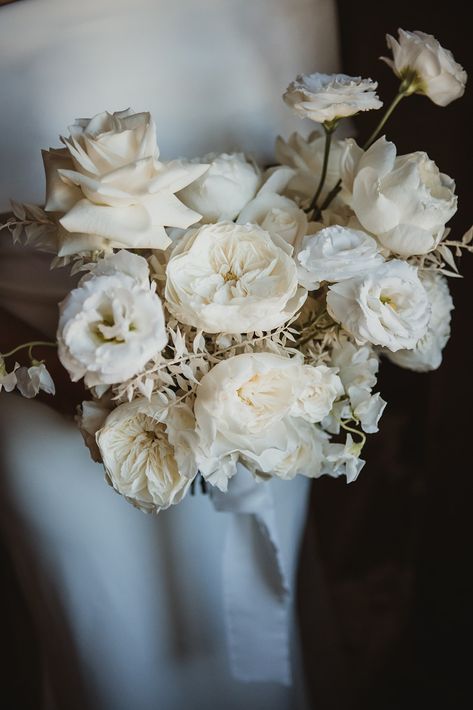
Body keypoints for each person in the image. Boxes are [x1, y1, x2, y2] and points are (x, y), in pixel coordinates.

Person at [0, 1, 342, 708]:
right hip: (47, 400)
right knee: (109, 660)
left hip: (257, 394)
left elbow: (318, 175)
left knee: (251, 646)